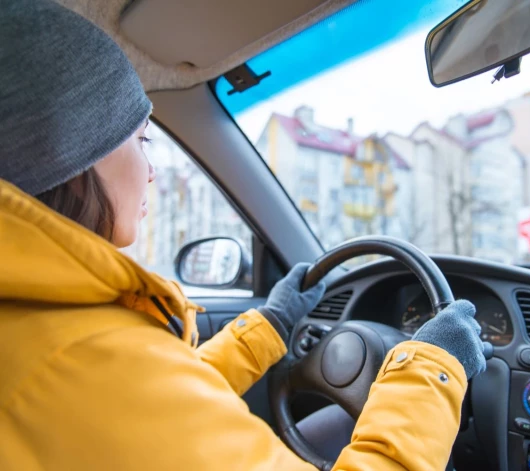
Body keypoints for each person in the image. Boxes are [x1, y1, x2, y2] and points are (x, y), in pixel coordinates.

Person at [0, 1, 486, 470]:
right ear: (75, 151)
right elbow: (143, 399)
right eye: (142, 139)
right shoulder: (88, 361)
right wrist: (434, 370)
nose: (150, 172)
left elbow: (168, 405)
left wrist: (271, 324)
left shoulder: (43, 340)